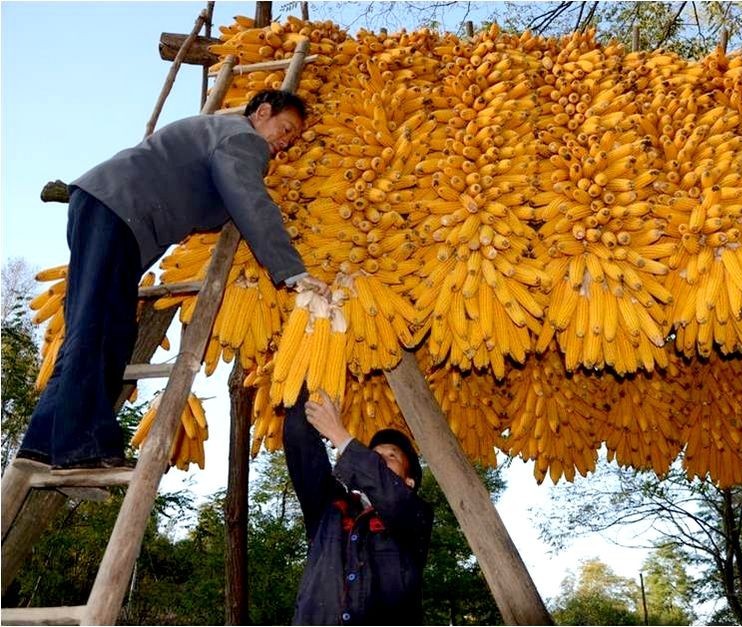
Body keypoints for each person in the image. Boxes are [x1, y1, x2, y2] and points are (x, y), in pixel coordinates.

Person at [17, 89, 326, 470]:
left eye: (292, 137)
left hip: (111, 210)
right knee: (97, 328)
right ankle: (81, 448)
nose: (286, 142)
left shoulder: (215, 134)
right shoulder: (242, 138)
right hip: (118, 209)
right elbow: (249, 199)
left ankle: (42, 443)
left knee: (104, 328)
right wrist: (292, 271)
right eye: (286, 129)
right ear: (262, 112)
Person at [284, 389, 434, 625]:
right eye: (375, 455)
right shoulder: (328, 507)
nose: (380, 459)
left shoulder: (415, 516)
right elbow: (302, 447)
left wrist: (340, 436)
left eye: (391, 456)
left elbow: (392, 497)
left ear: (409, 482)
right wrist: (303, 386)